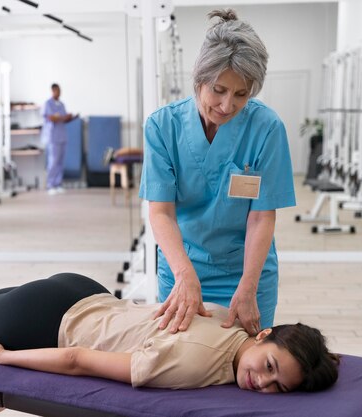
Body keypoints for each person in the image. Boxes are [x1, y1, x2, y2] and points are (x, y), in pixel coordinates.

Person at [0, 272, 339, 392]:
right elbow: (79, 361)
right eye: (268, 366)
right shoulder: (200, 365)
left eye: (276, 386)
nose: (261, 383)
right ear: (265, 337)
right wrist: (1, 358)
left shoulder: (232, 323)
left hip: (83, 290)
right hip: (52, 323)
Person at [139, 9, 295, 337]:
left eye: (241, 94)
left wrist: (249, 287)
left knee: (247, 366)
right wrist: (184, 275)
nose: (227, 105)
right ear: (199, 80)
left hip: (246, 273)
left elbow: (261, 217)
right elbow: (161, 213)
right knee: (179, 362)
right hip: (183, 267)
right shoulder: (162, 127)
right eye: (219, 90)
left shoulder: (266, 128)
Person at [41, 83, 77, 195]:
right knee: (53, 161)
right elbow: (51, 117)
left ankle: (58, 183)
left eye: (60, 91)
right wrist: (62, 117)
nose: (59, 93)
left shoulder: (61, 104)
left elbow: (63, 119)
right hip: (53, 137)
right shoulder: (48, 104)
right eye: (57, 91)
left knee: (61, 161)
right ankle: (50, 185)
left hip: (62, 136)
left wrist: (71, 117)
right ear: (53, 91)